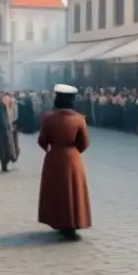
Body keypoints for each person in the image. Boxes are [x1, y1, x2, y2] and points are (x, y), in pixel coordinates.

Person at [37, 84, 92, 239]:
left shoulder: (48, 118)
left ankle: (58, 221)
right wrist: (73, 152)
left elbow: (42, 140)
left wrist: (53, 150)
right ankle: (73, 222)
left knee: (57, 191)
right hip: (73, 158)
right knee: (73, 190)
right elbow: (85, 143)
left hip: (54, 157)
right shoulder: (79, 119)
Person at [0, 92, 19, 172]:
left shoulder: (4, 106)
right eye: (5, 99)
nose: (7, 100)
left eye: (8, 99)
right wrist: (7, 127)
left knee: (7, 149)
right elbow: (2, 120)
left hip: (6, 131)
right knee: (4, 149)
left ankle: (7, 162)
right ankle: (4, 164)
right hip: (1, 132)